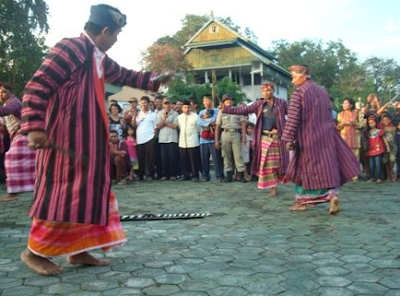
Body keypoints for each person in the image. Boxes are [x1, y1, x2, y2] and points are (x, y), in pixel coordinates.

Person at [20, 4, 171, 275]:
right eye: (116, 34)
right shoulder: (72, 48)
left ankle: (78, 252)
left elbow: (127, 76)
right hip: (65, 141)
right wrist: (34, 127)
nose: (116, 40)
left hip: (89, 143)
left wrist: (156, 78)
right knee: (62, 194)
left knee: (88, 195)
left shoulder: (97, 56)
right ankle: (33, 252)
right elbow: (36, 86)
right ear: (105, 31)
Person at [281, 64, 360, 214]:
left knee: (300, 169)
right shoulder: (323, 91)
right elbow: (330, 113)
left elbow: (292, 118)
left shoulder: (299, 93)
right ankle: (332, 195)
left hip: (307, 138)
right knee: (327, 169)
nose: (292, 81)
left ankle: (302, 201)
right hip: (326, 137)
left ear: (303, 75)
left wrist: (288, 138)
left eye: (293, 76)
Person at [220, 84, 288, 195]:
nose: (266, 92)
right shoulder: (259, 104)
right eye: (264, 91)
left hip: (279, 138)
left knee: (278, 164)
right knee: (267, 164)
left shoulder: (282, 103)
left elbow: (293, 114)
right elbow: (244, 109)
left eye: (268, 90)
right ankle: (273, 187)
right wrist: (227, 109)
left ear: (273, 90)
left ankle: (277, 183)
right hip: (265, 137)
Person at [0, 83, 36, 202]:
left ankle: (14, 192)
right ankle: (32, 188)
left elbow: (5, 111)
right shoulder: (6, 104)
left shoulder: (14, 102)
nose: (1, 94)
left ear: (11, 92)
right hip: (17, 136)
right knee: (28, 163)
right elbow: (6, 126)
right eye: (0, 92)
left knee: (11, 159)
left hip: (24, 134)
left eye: (4, 92)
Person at [215, 93, 247, 183]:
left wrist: (244, 136)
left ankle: (240, 175)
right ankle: (229, 175)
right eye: (226, 100)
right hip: (225, 133)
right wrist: (216, 140)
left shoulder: (237, 110)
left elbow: (243, 124)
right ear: (223, 102)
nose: (229, 101)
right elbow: (217, 126)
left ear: (232, 101)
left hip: (236, 133)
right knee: (226, 155)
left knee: (238, 155)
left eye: (230, 99)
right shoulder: (221, 111)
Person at [197, 94, 224, 182]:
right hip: (203, 139)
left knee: (217, 158)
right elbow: (199, 122)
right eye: (204, 101)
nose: (206, 102)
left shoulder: (217, 111)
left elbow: (217, 121)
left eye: (208, 100)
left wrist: (209, 123)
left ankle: (219, 175)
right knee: (204, 158)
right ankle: (205, 175)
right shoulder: (201, 112)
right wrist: (208, 124)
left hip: (213, 138)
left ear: (211, 101)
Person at [336, 98, 363, 181]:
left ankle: (355, 176)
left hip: (355, 139)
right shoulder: (340, 114)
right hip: (344, 139)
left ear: (351, 105)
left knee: (355, 158)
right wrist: (342, 124)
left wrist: (355, 123)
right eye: (343, 103)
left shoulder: (357, 112)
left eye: (346, 103)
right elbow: (337, 127)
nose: (344, 105)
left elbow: (363, 124)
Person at [132, 96, 157, 181]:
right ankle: (140, 175)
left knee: (150, 158)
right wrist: (134, 116)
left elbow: (155, 127)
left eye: (145, 103)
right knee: (140, 158)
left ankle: (151, 175)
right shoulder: (138, 114)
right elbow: (133, 125)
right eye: (141, 103)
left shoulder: (153, 114)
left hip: (150, 138)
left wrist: (154, 137)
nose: (143, 105)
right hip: (140, 139)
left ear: (149, 103)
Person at [155, 97, 179, 181]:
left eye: (168, 103)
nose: (167, 105)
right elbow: (158, 126)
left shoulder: (175, 114)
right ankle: (165, 174)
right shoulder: (159, 113)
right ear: (162, 104)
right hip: (162, 138)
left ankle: (173, 174)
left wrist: (163, 122)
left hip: (172, 138)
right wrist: (165, 119)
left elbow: (175, 126)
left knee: (172, 157)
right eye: (165, 103)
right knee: (163, 158)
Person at [177, 101, 201, 181]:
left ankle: (195, 175)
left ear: (190, 108)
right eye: (185, 107)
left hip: (193, 141)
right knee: (183, 159)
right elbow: (180, 127)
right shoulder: (179, 117)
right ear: (182, 108)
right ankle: (185, 175)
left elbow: (198, 129)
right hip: (182, 142)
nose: (187, 109)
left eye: (188, 107)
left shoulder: (196, 117)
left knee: (194, 160)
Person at [365, 116, 389, 183]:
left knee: (378, 164)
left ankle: (379, 178)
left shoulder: (379, 131)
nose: (371, 124)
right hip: (370, 150)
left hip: (378, 150)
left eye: (373, 122)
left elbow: (384, 139)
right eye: (369, 123)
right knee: (371, 165)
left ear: (376, 123)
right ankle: (372, 177)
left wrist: (387, 146)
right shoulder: (367, 132)